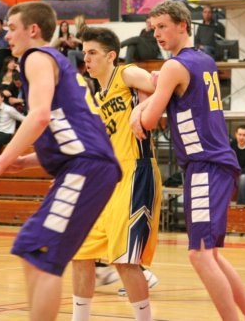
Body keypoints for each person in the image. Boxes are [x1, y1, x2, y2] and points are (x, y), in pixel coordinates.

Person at [0, 1, 120, 320]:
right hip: (86, 164)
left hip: (86, 167)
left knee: (43, 255)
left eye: (12, 28)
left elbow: (38, 117)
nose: (6, 36)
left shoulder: (36, 57)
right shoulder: (55, 62)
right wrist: (24, 161)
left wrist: (0, 164)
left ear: (33, 30)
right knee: (31, 247)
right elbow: (70, 132)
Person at [130, 0, 245, 321]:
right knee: (210, 254)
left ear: (183, 25)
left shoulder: (175, 67)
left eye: (162, 26)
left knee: (199, 255)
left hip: (205, 163)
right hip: (215, 162)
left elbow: (149, 121)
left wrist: (138, 108)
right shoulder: (204, 59)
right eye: (153, 28)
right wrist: (159, 82)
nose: (156, 34)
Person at [75, 26, 162, 321]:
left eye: (92, 53)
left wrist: (142, 108)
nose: (86, 59)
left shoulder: (126, 74)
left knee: (125, 260)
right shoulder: (97, 97)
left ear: (111, 56)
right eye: (84, 53)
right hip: (108, 179)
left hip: (137, 170)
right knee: (81, 253)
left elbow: (164, 85)